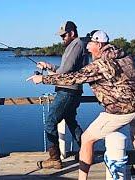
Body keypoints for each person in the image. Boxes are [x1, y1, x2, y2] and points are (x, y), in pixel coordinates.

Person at [27, 30, 135, 180]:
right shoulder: (127, 57)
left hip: (122, 110)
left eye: (90, 44)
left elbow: (74, 77)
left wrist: (43, 79)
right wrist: (52, 69)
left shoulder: (100, 65)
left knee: (87, 139)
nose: (87, 47)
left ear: (99, 44)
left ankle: (82, 178)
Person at [34, 21, 89, 169]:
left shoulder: (77, 44)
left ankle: (55, 159)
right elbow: (65, 69)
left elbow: (65, 71)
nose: (62, 38)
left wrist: (43, 78)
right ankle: (86, 150)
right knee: (71, 121)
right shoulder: (74, 45)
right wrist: (48, 66)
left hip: (67, 91)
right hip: (71, 90)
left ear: (71, 33)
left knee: (50, 122)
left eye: (64, 35)